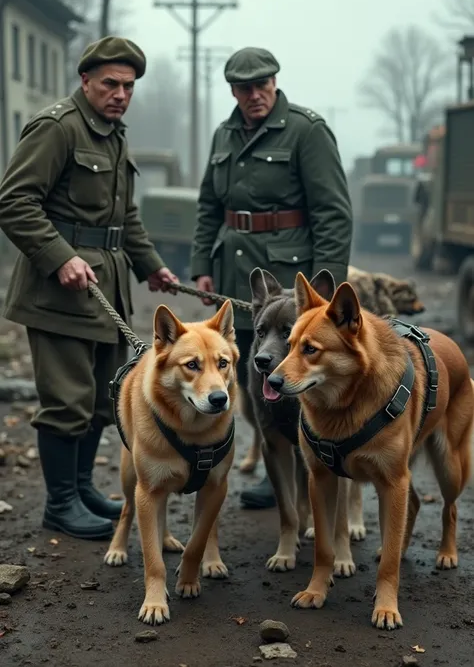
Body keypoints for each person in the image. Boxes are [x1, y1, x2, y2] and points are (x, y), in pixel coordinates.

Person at [0, 36, 179, 539]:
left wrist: (152, 267)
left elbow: (125, 218)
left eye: (128, 86)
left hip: (106, 290)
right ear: (85, 81)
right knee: (67, 402)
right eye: (110, 84)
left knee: (102, 399)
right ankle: (60, 503)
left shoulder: (113, 135)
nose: (121, 93)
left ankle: (80, 489)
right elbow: (14, 201)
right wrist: (60, 257)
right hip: (57, 293)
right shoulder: (59, 128)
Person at [190, 46, 353, 510]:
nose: (256, 95)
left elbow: (333, 213)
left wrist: (326, 294)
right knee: (248, 375)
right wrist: (203, 264)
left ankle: (314, 466)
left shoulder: (306, 130)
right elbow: (208, 205)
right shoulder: (224, 134)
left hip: (291, 279)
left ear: (275, 82)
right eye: (245, 88)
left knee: (298, 377)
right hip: (237, 277)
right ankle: (271, 465)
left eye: (263, 85)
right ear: (234, 91)